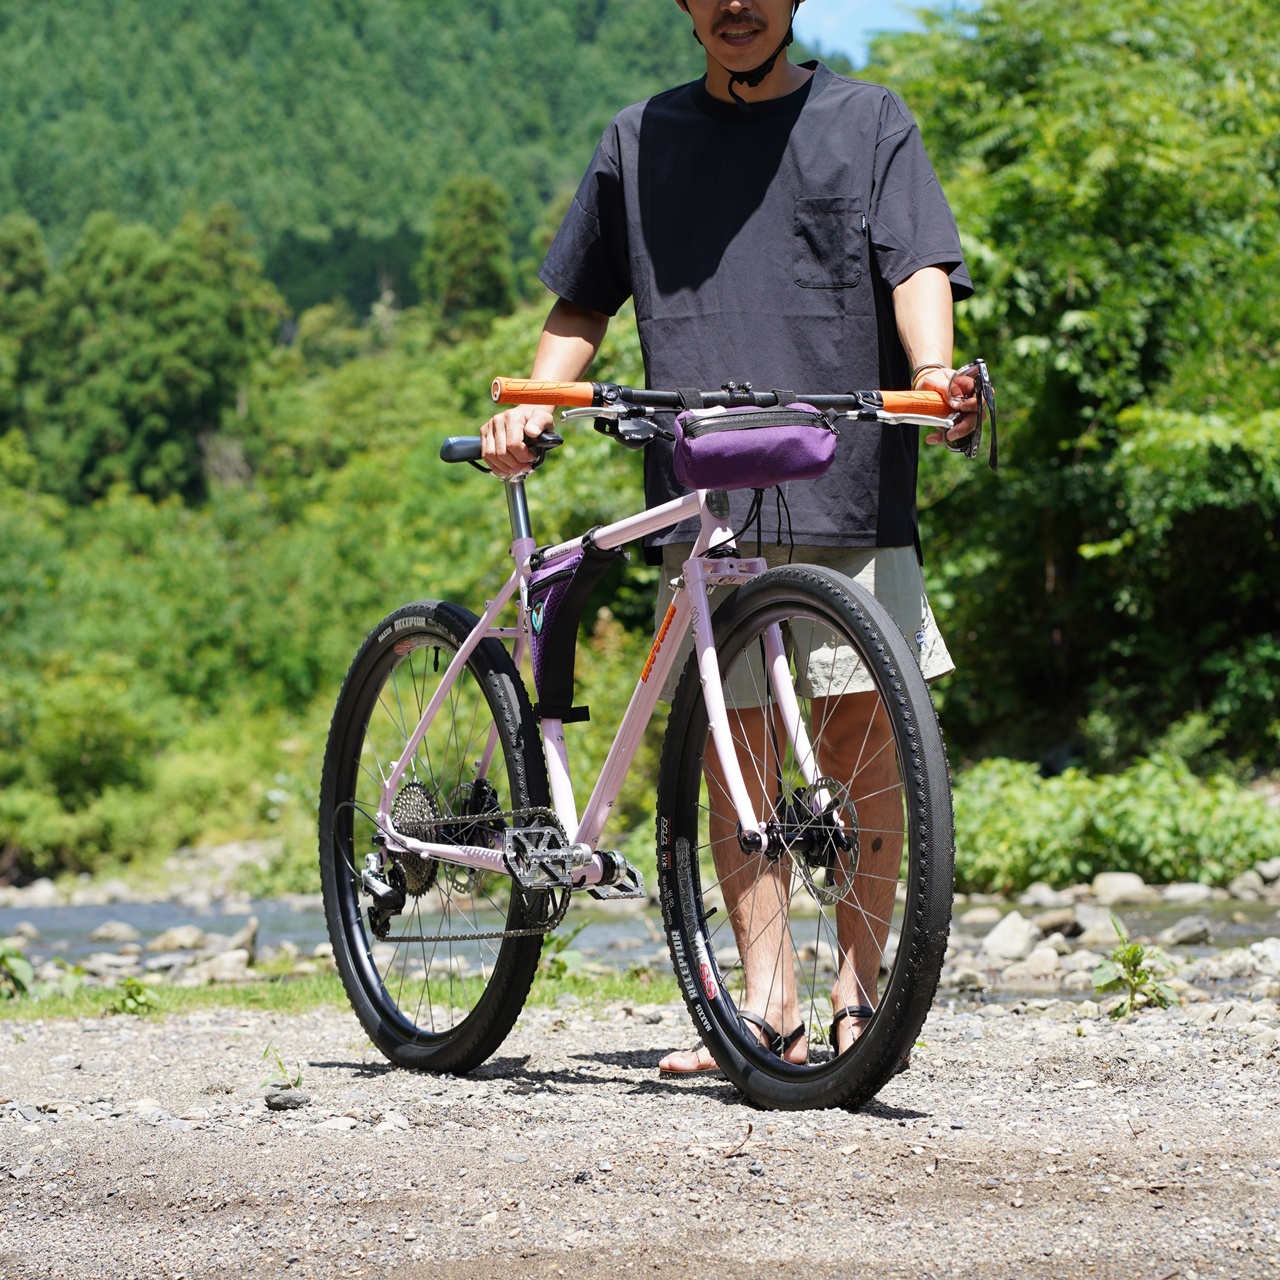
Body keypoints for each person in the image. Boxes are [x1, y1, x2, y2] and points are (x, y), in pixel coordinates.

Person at [481, 0, 979, 1073]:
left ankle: (860, 999)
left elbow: (917, 268)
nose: (736, 6)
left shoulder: (868, 121)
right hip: (705, 487)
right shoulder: (639, 139)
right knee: (732, 747)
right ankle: (764, 1004)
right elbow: (582, 302)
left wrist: (935, 377)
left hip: (848, 475)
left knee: (864, 740)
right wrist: (536, 399)